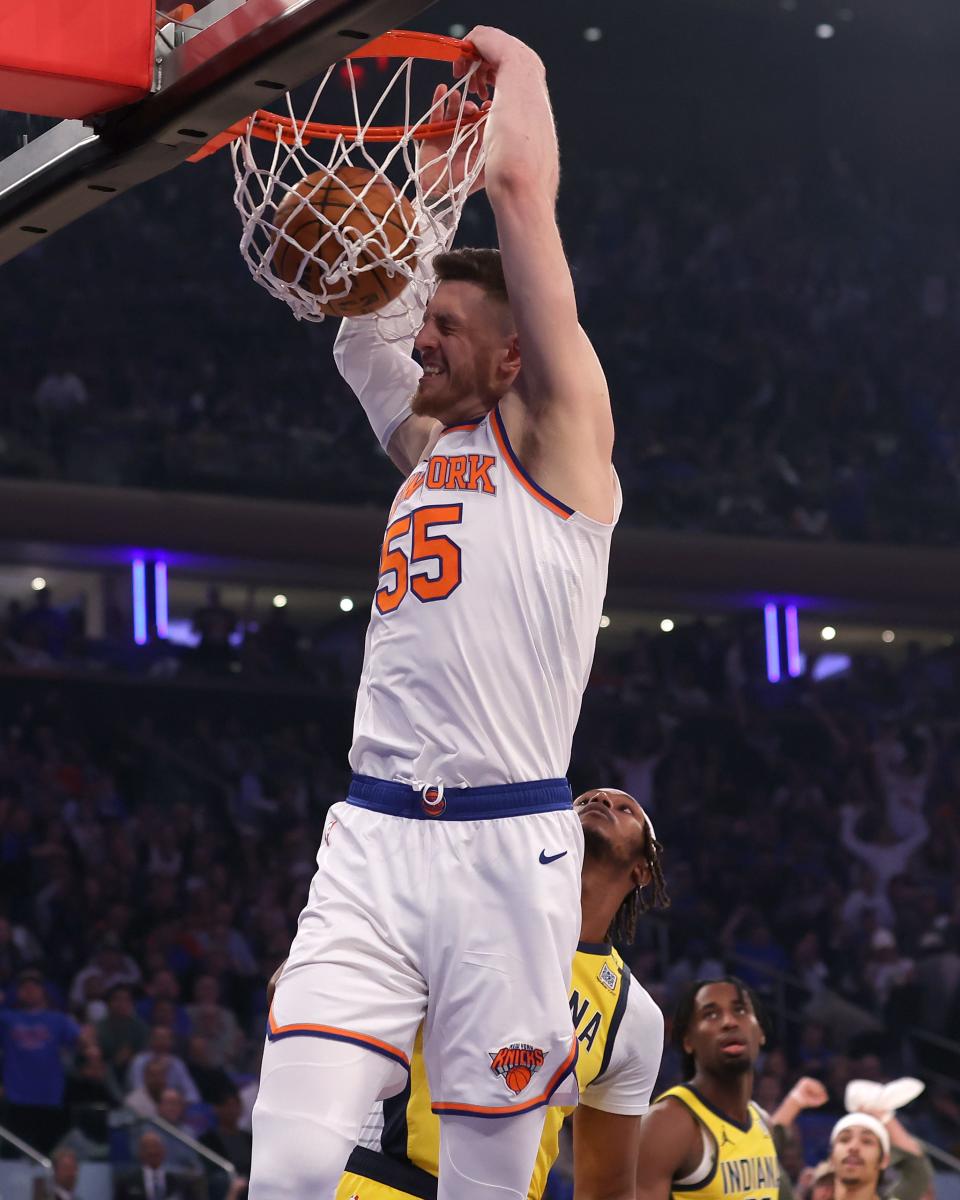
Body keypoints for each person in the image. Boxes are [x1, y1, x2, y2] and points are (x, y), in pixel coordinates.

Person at [252, 25, 619, 1200]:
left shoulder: (562, 447)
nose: (425, 339)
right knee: (296, 1165)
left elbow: (522, 194)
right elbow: (369, 321)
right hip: (369, 835)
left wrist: (521, 79)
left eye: (451, 327)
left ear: (516, 356)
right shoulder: (421, 443)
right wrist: (419, 178)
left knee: (484, 1180)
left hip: (510, 852)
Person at [329, 788, 667, 1200]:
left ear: (643, 869)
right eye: (586, 799)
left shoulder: (632, 1014)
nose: (602, 803)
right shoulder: (458, 904)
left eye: (625, 808)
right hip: (389, 1180)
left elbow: (608, 1190)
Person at [635, 978, 779, 1200]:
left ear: (760, 1032)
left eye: (740, 1010)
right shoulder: (666, 1124)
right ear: (688, 1041)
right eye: (711, 1014)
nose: (729, 1022)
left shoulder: (764, 1123)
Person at [0, 968, 83, 1153]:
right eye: (24, 986)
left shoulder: (59, 1019)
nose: (29, 990)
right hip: (16, 1098)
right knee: (14, 1154)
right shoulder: (6, 1018)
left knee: (46, 1154)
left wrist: (88, 1042)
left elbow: (82, 1042)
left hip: (49, 1097)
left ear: (43, 990)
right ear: (18, 992)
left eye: (34, 986)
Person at [114, 1130, 205, 1200]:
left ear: (163, 1151)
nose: (152, 1151)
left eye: (156, 1147)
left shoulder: (179, 1182)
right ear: (140, 1153)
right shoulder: (126, 1181)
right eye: (147, 1147)